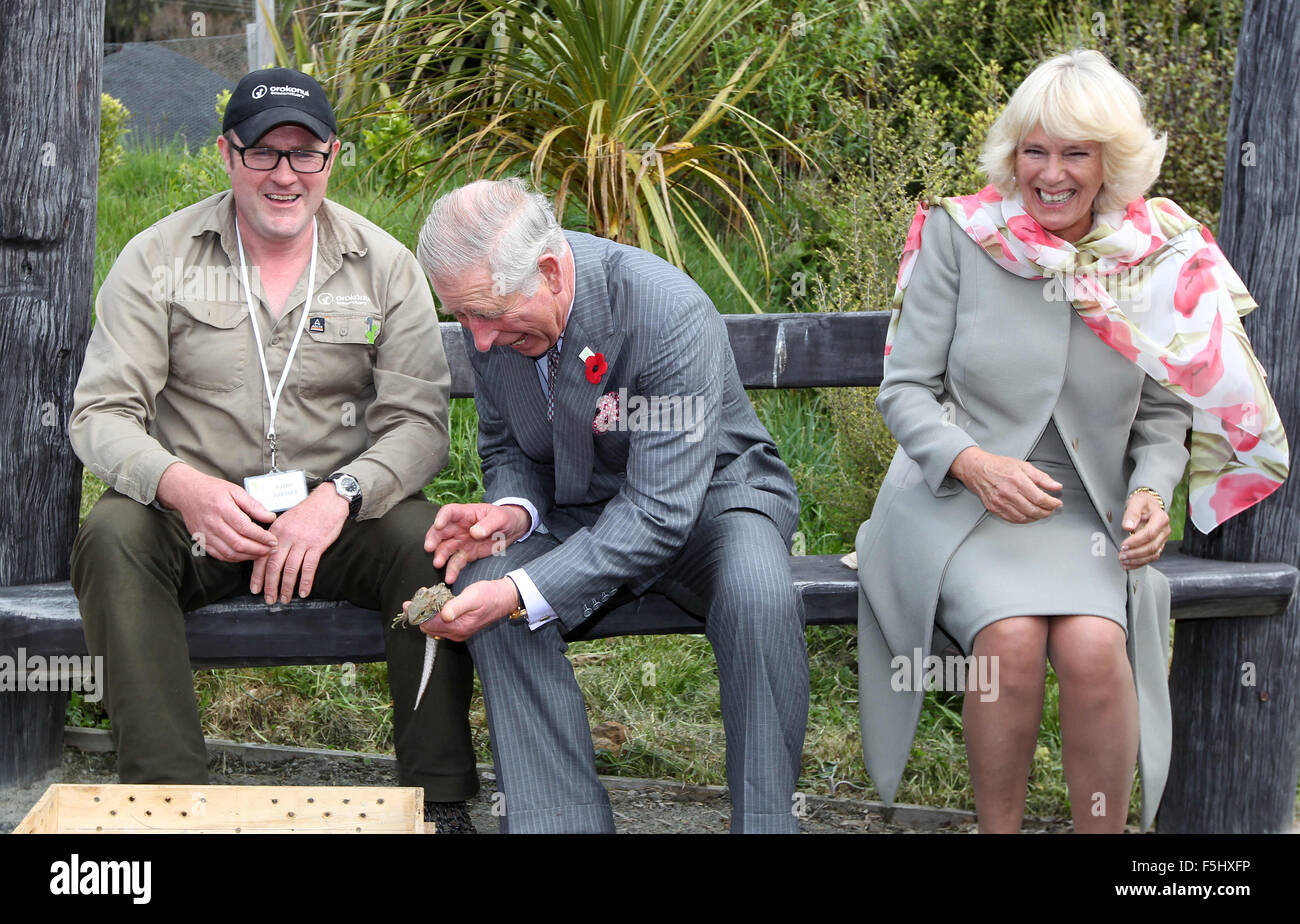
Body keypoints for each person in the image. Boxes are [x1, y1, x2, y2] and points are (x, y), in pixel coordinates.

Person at [856, 49, 1288, 833]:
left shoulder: (1155, 257)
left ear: (1111, 163)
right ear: (1012, 154)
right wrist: (973, 462)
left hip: (1088, 516)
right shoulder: (960, 237)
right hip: (960, 504)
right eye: (1034, 150)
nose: (1050, 174)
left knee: (1094, 648)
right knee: (1011, 641)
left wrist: (1155, 493)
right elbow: (905, 390)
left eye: (1075, 153)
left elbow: (1165, 419)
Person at [69, 68, 479, 832]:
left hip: (332, 522)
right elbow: (101, 413)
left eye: (305, 154)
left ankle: (439, 799)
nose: (285, 175)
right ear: (227, 155)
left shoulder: (384, 266)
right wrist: (183, 487)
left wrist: (342, 496)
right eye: (263, 153)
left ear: (332, 159)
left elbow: (419, 424)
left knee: (429, 545)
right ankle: (168, 806)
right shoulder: (159, 258)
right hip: (200, 520)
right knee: (112, 535)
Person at [412, 178, 809, 833]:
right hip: (579, 506)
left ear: (549, 272)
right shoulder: (492, 318)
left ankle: (768, 823)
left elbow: (657, 515)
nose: (477, 341)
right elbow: (509, 444)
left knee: (759, 593)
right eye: (461, 317)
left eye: (486, 314)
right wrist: (513, 511)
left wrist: (524, 588)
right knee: (485, 586)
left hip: (709, 503)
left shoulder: (664, 310)